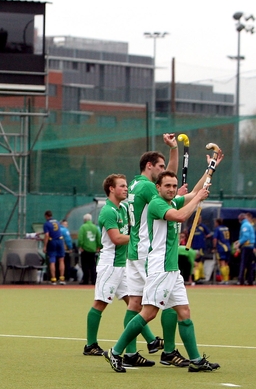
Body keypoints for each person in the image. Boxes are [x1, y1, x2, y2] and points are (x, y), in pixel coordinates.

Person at [104, 171, 220, 373]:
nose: (172, 189)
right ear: (158, 187)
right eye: (167, 185)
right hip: (160, 268)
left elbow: (193, 192)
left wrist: (209, 171)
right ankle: (115, 351)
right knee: (148, 313)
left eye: (174, 186)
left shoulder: (172, 201)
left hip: (172, 269)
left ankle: (195, 360)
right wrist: (199, 198)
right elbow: (182, 216)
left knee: (184, 312)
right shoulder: (158, 204)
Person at [83, 174, 157, 367]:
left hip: (123, 264)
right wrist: (138, 239)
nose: (126, 189)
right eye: (122, 186)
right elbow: (116, 238)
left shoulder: (123, 208)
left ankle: (150, 342)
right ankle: (90, 344)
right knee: (100, 303)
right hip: (110, 264)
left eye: (126, 186)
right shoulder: (108, 211)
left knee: (134, 303)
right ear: (111, 189)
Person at [124, 134, 185, 366]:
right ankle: (168, 351)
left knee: (135, 303)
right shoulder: (149, 187)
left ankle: (130, 353)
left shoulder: (135, 184)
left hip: (135, 249)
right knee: (165, 300)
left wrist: (173, 150)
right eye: (159, 167)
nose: (164, 171)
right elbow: (164, 188)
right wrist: (176, 195)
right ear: (149, 166)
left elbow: (166, 179)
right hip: (146, 249)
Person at [77, 214, 101, 285]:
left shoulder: (83, 227)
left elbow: (80, 238)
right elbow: (98, 237)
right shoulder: (95, 227)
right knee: (93, 266)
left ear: (84, 220)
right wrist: (98, 246)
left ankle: (86, 280)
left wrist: (80, 246)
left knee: (85, 265)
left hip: (85, 249)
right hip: (93, 249)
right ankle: (94, 280)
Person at [43, 210, 65, 285]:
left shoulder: (46, 224)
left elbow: (47, 234)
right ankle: (62, 278)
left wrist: (45, 246)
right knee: (61, 260)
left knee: (52, 260)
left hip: (52, 241)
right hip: (60, 240)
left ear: (46, 216)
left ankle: (53, 279)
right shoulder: (57, 222)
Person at [234, 213, 255, 286]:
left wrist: (239, 243)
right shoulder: (249, 224)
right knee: (249, 265)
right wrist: (239, 240)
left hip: (246, 246)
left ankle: (241, 280)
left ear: (240, 219)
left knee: (243, 264)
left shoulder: (245, 225)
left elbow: (246, 236)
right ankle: (250, 280)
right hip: (251, 246)